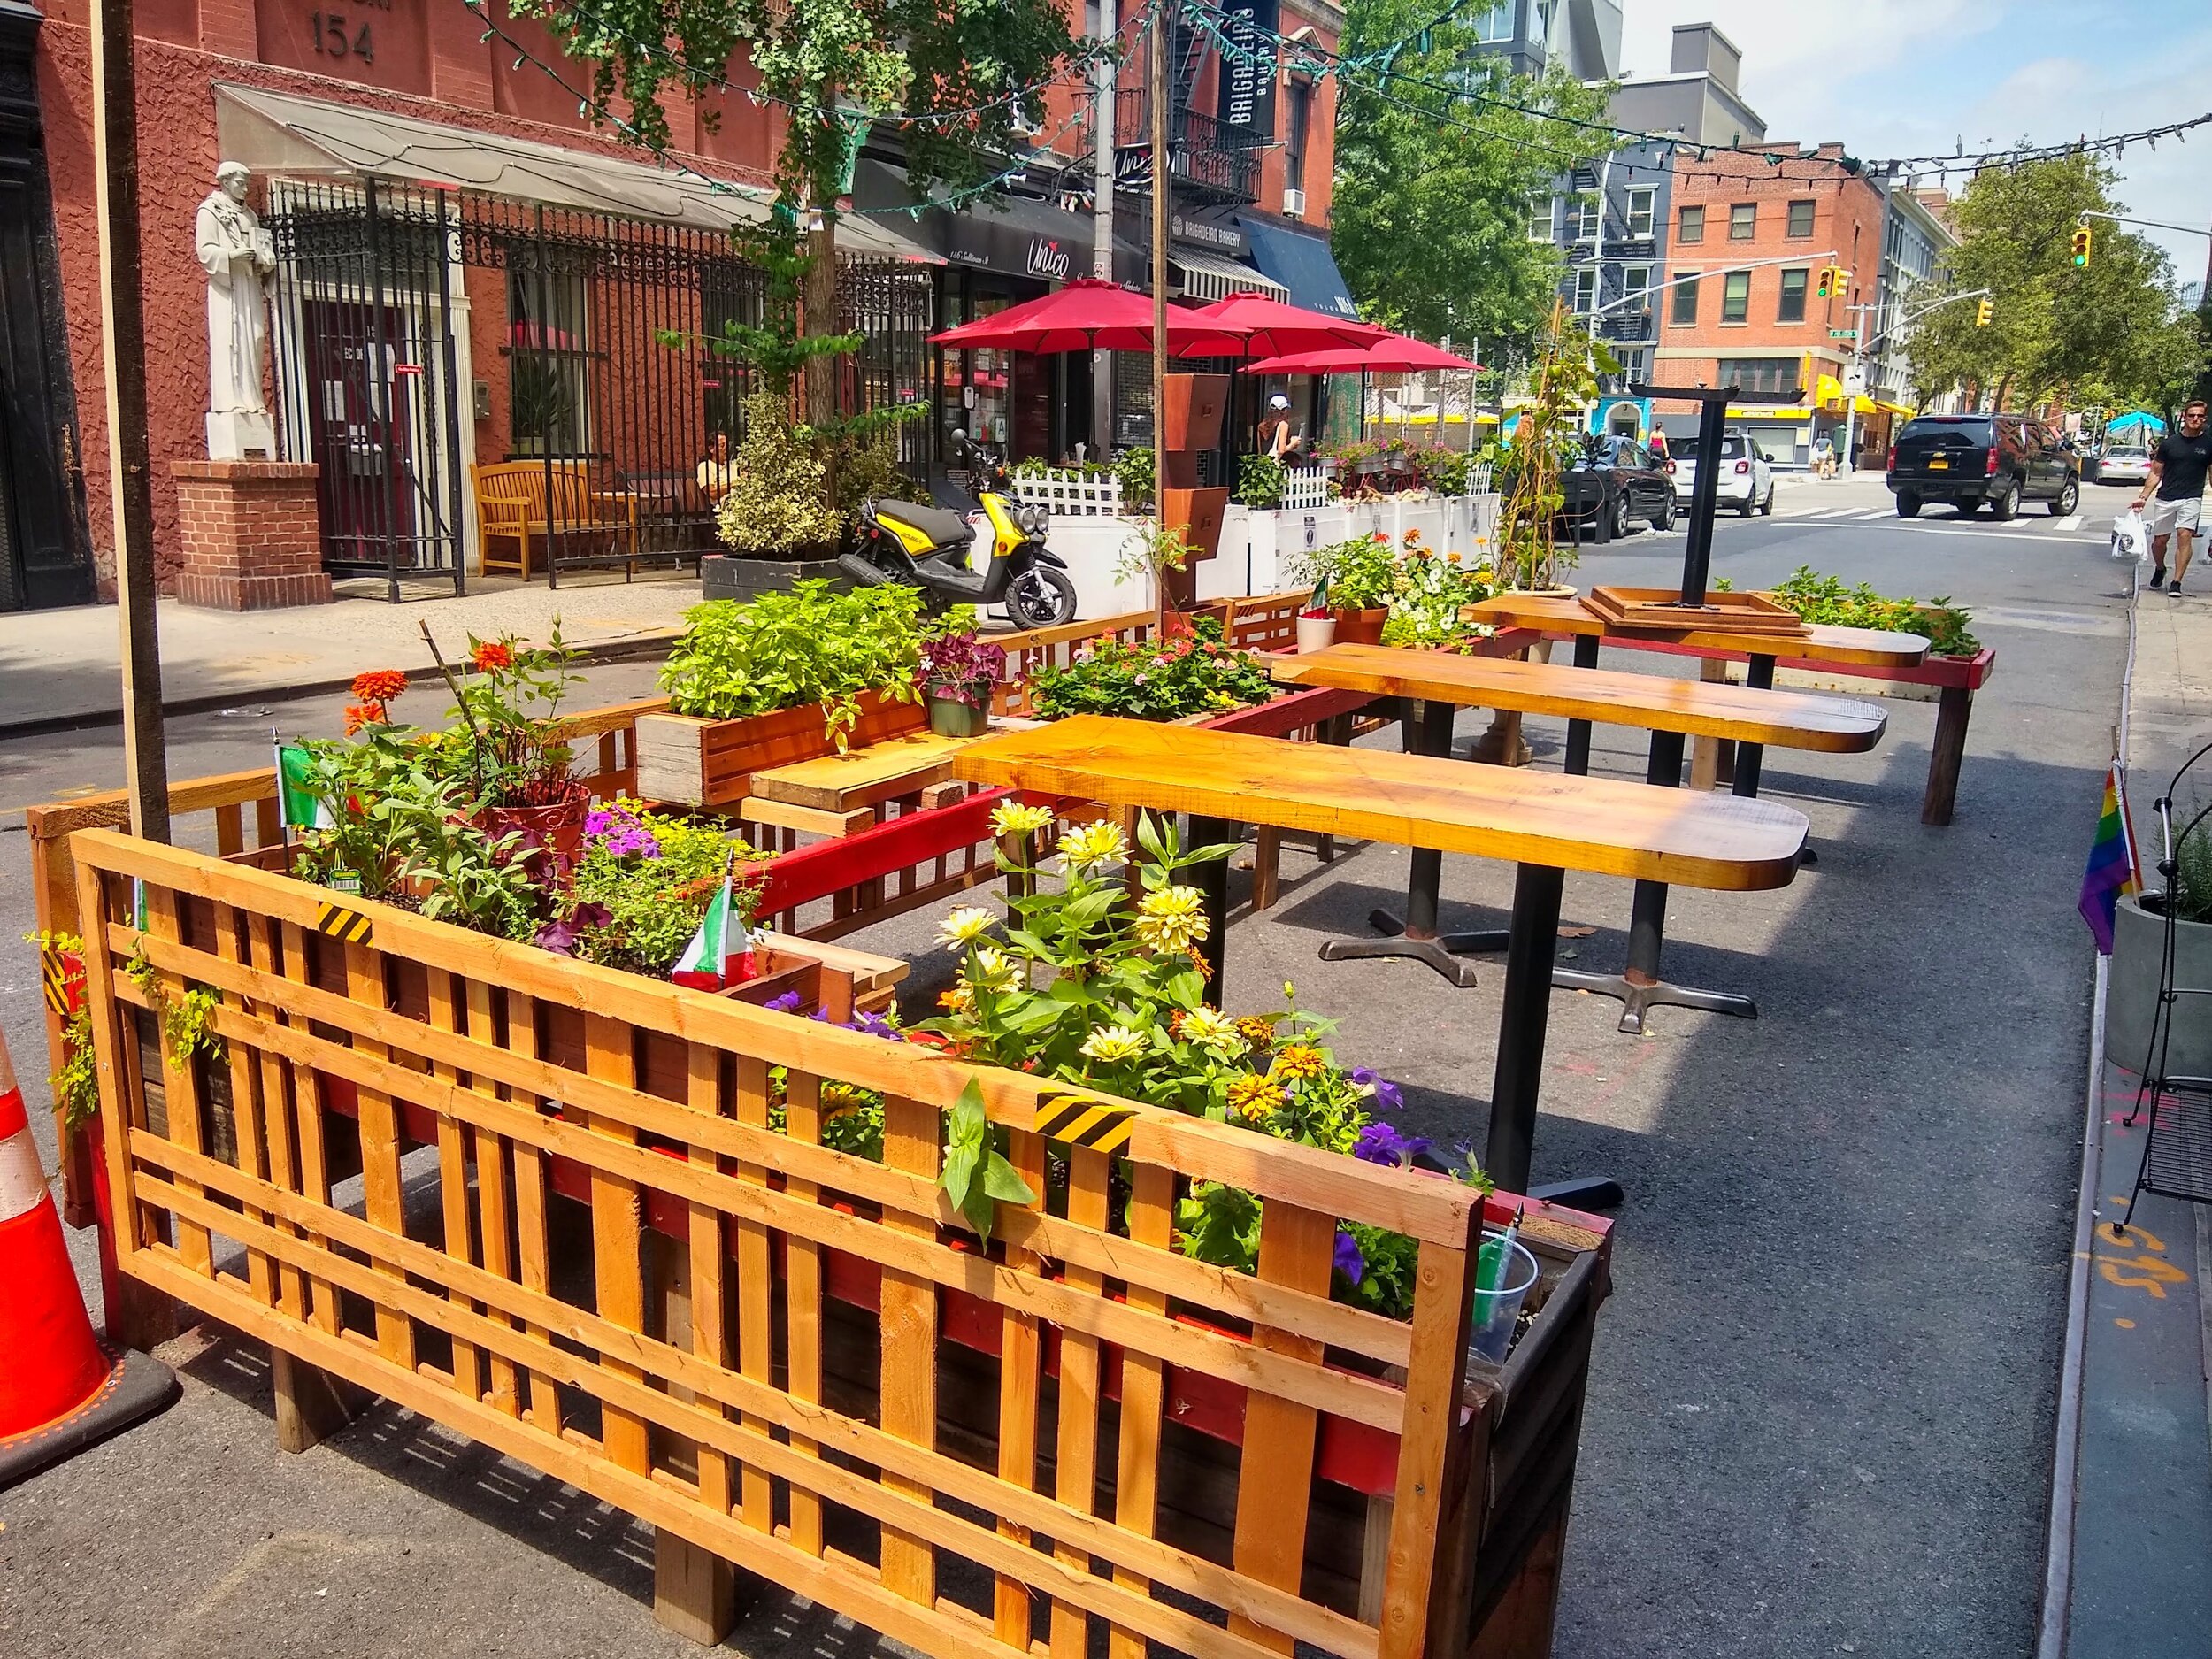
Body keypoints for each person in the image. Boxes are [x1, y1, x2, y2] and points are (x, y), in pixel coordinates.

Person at [2137, 399, 2212, 596]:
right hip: (2166, 497)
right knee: (2160, 541)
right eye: (2192, 415)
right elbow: (2155, 472)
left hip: (2192, 497)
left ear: (2204, 419)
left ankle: (2177, 582)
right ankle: (2160, 568)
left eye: (2200, 416)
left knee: (2184, 535)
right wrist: (2144, 496)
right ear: (2184, 417)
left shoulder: (2209, 445)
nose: (2195, 419)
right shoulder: (2170, 444)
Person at [1257, 393, 1302, 461]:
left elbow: (1260, 451)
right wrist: (1293, 444)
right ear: (1283, 410)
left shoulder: (1261, 426)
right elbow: (1281, 450)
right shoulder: (1283, 425)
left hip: (1265, 465)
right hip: (1278, 466)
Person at [695, 430, 736, 504]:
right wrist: (735, 484)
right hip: (725, 506)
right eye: (722, 446)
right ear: (711, 449)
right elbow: (712, 492)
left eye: (727, 445)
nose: (726, 449)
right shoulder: (705, 466)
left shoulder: (733, 466)